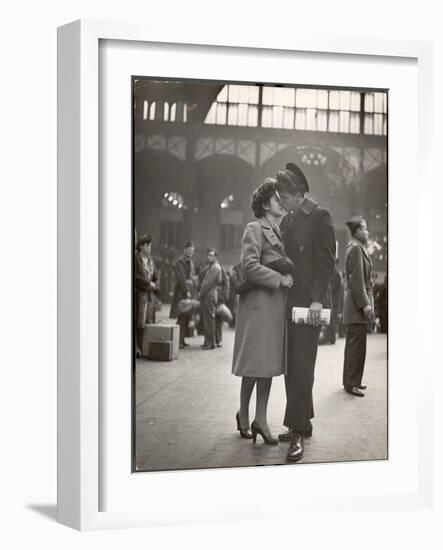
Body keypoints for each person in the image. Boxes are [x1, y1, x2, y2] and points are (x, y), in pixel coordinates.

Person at [275, 162, 336, 462]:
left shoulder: (319, 216)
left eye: (283, 198)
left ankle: (297, 432)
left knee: (302, 367)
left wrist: (316, 300)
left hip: (307, 305)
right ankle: (302, 422)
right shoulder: (290, 218)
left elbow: (326, 264)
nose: (281, 203)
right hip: (289, 303)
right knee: (292, 366)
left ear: (296, 194)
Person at [232, 178, 294, 444]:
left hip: (273, 308)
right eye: (277, 198)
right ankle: (246, 415)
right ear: (265, 203)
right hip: (258, 306)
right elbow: (248, 265)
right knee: (255, 365)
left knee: (266, 366)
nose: (281, 202)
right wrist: (278, 279)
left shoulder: (278, 231)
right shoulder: (254, 228)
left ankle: (259, 418)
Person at [342, 216, 374, 397]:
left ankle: (350, 381)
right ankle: (351, 383)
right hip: (356, 307)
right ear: (358, 231)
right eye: (365, 228)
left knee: (353, 346)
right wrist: (365, 305)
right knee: (357, 348)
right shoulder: (355, 249)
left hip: (355, 307)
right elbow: (357, 281)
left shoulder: (357, 248)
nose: (367, 232)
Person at [169, 241, 197, 349]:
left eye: (192, 251)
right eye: (189, 250)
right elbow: (181, 279)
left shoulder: (191, 262)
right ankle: (179, 341)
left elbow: (192, 277)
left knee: (186, 316)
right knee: (181, 317)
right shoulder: (179, 262)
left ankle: (182, 340)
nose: (191, 252)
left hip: (189, 292)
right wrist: (187, 291)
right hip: (182, 293)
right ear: (184, 250)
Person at [135, 235, 159, 357]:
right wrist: (149, 283)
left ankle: (143, 347)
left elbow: (155, 274)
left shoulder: (150, 259)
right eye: (147, 245)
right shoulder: (135, 258)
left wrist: (156, 284)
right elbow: (136, 277)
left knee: (147, 321)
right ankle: (137, 348)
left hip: (149, 295)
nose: (150, 247)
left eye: (150, 245)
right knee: (139, 322)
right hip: (140, 293)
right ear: (141, 246)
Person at [199, 248, 222, 350]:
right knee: (207, 319)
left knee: (209, 320)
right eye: (208, 255)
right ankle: (207, 341)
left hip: (209, 295)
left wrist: (201, 293)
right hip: (208, 295)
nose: (209, 257)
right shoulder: (211, 266)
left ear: (215, 257)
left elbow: (208, 283)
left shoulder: (215, 267)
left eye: (211, 255)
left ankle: (210, 343)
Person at [215, 264, 230, 347]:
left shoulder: (221, 269)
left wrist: (224, 297)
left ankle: (218, 339)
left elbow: (226, 285)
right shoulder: (209, 269)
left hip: (219, 298)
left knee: (218, 319)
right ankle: (214, 339)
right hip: (212, 297)